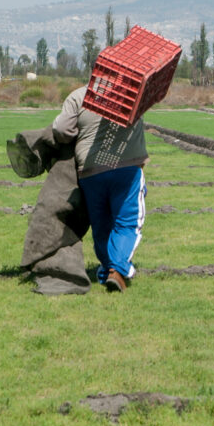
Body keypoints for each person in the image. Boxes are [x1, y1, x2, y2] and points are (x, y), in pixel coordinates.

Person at [52, 86, 149, 292]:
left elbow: (61, 130)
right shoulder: (134, 94)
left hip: (91, 170)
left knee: (101, 226)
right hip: (127, 169)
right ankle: (118, 270)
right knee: (127, 223)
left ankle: (107, 270)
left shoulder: (78, 96)